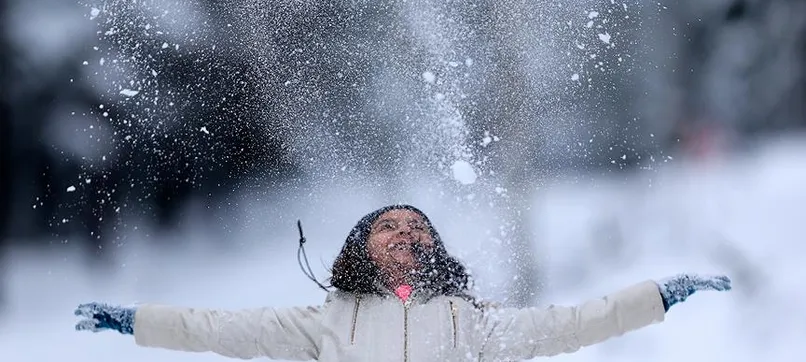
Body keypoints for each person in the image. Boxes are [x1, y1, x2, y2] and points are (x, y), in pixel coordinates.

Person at [74, 204, 732, 361]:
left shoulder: (473, 322)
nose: (406, 232)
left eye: (419, 227)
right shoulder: (322, 324)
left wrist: (660, 295)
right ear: (360, 248)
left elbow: (575, 322)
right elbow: (212, 329)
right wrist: (133, 320)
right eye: (388, 225)